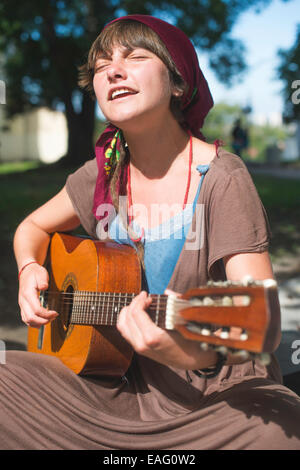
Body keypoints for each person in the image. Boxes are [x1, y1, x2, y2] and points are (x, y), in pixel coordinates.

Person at [1, 14, 300, 450]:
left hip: (213, 398)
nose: (113, 71)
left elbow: (261, 322)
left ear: (179, 84)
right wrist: (29, 268)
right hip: (115, 388)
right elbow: (31, 227)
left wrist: (176, 351)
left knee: (276, 431)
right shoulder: (102, 174)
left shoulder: (221, 178)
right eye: (102, 67)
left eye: (134, 57)